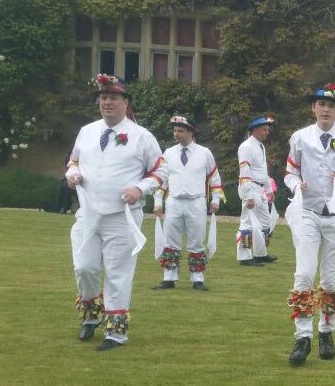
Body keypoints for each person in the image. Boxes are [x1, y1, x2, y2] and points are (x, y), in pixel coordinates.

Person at [65, 74, 166, 351]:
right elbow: (73, 161)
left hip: (122, 217)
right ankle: (91, 314)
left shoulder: (141, 136)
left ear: (125, 102)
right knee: (83, 267)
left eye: (114, 98)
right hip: (88, 214)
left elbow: (160, 171)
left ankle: (116, 332)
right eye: (104, 97)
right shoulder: (86, 131)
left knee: (118, 273)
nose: (107, 102)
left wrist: (139, 188)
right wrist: (72, 174)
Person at [281, 83, 335, 365]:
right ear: (313, 108)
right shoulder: (300, 137)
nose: (326, 109)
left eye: (331, 106)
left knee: (330, 279)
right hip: (308, 211)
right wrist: (296, 184)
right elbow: (290, 170)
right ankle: (302, 338)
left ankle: (326, 332)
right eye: (321, 104)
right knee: (303, 274)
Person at [150, 116, 224, 291]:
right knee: (170, 240)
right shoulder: (168, 153)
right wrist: (158, 200)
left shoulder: (204, 153)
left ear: (191, 132)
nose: (176, 134)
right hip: (174, 201)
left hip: (196, 202)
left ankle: (197, 278)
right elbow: (162, 180)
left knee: (196, 240)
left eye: (180, 131)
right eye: (175, 130)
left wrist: (215, 200)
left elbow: (214, 179)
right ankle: (169, 278)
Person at [236, 114, 278, 267]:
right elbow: (244, 171)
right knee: (247, 223)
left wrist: (268, 189)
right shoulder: (246, 147)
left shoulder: (260, 146)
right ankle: (245, 257)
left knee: (265, 222)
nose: (267, 132)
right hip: (251, 187)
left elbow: (263, 169)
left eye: (268, 129)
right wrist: (248, 196)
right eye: (264, 129)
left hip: (260, 188)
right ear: (254, 130)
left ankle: (260, 254)